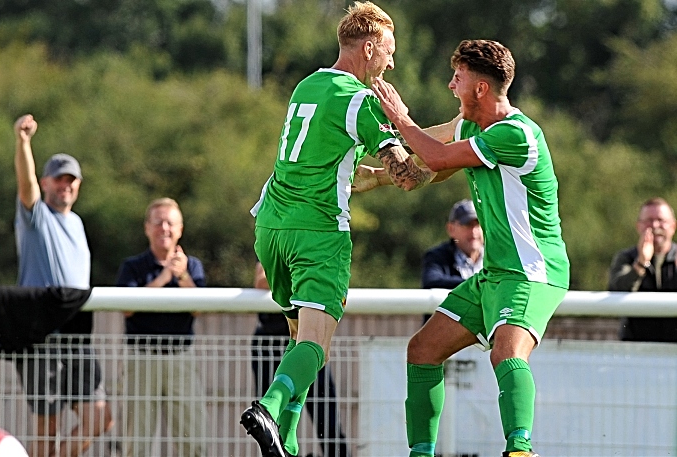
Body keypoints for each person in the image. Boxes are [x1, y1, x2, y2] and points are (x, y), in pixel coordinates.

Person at [241, 2, 461, 457]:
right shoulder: (361, 100)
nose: (392, 63)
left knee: (301, 341)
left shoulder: (308, 85)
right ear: (368, 48)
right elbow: (405, 174)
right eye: (389, 52)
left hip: (270, 227)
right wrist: (439, 164)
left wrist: (371, 169)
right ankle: (268, 406)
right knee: (317, 347)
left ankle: (288, 441)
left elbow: (332, 158)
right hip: (318, 233)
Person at [368, 40, 570, 457]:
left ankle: (520, 450)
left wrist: (399, 117)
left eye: (457, 78)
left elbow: (437, 156)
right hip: (495, 274)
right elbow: (429, 157)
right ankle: (421, 453)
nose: (449, 85)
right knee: (422, 351)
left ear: (480, 89)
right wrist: (378, 175)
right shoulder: (471, 127)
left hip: (533, 272)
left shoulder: (516, 133)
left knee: (506, 353)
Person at [13, 114, 113, 457]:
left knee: (100, 418)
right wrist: (24, 142)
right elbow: (25, 187)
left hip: (76, 338)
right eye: (58, 180)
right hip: (41, 336)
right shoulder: (36, 216)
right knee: (47, 427)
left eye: (71, 180)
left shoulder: (79, 224)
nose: (65, 186)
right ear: (45, 183)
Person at [115, 197, 208, 457]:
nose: (164, 228)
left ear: (180, 229)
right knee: (138, 442)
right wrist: (164, 277)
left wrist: (182, 276)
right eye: (158, 222)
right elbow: (127, 307)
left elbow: (200, 307)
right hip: (142, 359)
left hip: (181, 359)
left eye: (170, 223)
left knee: (193, 438)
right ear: (147, 228)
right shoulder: (133, 267)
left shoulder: (193, 267)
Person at [252, 262, 350, 457]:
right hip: (273, 344)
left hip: (308, 339)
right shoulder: (288, 240)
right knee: (270, 424)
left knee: (327, 420)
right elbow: (262, 279)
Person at [608, 197, 677, 342]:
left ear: (673, 226)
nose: (655, 225)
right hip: (635, 349)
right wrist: (640, 263)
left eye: (661, 220)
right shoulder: (626, 258)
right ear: (638, 226)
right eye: (649, 221)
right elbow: (615, 291)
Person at [421, 199, 484, 322]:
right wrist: (478, 284)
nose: (474, 232)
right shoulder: (436, 256)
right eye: (467, 225)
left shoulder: (497, 256)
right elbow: (431, 281)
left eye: (478, 224)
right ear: (451, 229)